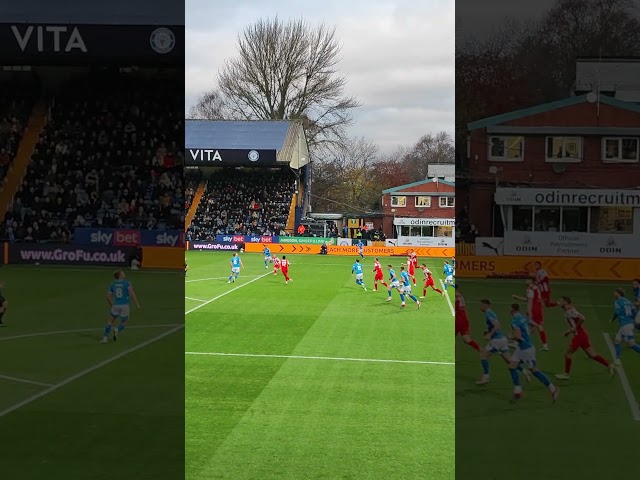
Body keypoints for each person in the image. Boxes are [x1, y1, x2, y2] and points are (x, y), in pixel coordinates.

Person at [507, 304, 559, 402]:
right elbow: (534, 325)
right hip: (521, 348)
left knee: (534, 370)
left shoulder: (514, 321)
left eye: (510, 308)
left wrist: (510, 337)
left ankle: (553, 388)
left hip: (527, 349)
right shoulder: (523, 317)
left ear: (512, 310)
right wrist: (528, 334)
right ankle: (518, 390)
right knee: (511, 366)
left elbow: (517, 336)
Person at [554, 297, 614, 380]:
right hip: (582, 334)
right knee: (592, 354)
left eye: (561, 301)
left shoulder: (570, 311)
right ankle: (609, 365)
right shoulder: (568, 311)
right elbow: (574, 324)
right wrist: (569, 331)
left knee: (568, 353)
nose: (559, 302)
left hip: (579, 336)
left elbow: (582, 318)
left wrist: (575, 328)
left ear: (565, 302)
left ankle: (566, 374)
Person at [101, 270, 140, 343]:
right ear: (120, 276)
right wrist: (137, 304)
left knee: (110, 321)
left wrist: (111, 304)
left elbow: (108, 296)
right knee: (124, 321)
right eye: (123, 272)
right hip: (125, 305)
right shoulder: (127, 283)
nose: (124, 273)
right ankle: (117, 329)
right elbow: (132, 293)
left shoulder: (112, 284)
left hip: (116, 305)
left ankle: (105, 337)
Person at [512, 277, 548, 351]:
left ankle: (516, 342)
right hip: (539, 309)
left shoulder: (530, 289)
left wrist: (529, 312)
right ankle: (545, 345)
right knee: (537, 327)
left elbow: (530, 301)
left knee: (523, 324)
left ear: (531, 281)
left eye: (527, 279)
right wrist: (517, 297)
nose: (526, 280)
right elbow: (529, 299)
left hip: (533, 309)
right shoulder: (536, 288)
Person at [611, 288, 640, 364]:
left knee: (631, 344)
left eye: (615, 292)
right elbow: (634, 312)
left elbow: (617, 312)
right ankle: (617, 360)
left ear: (618, 293)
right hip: (629, 324)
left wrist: (612, 319)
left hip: (625, 325)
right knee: (617, 340)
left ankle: (617, 359)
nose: (614, 293)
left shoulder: (617, 301)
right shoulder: (629, 301)